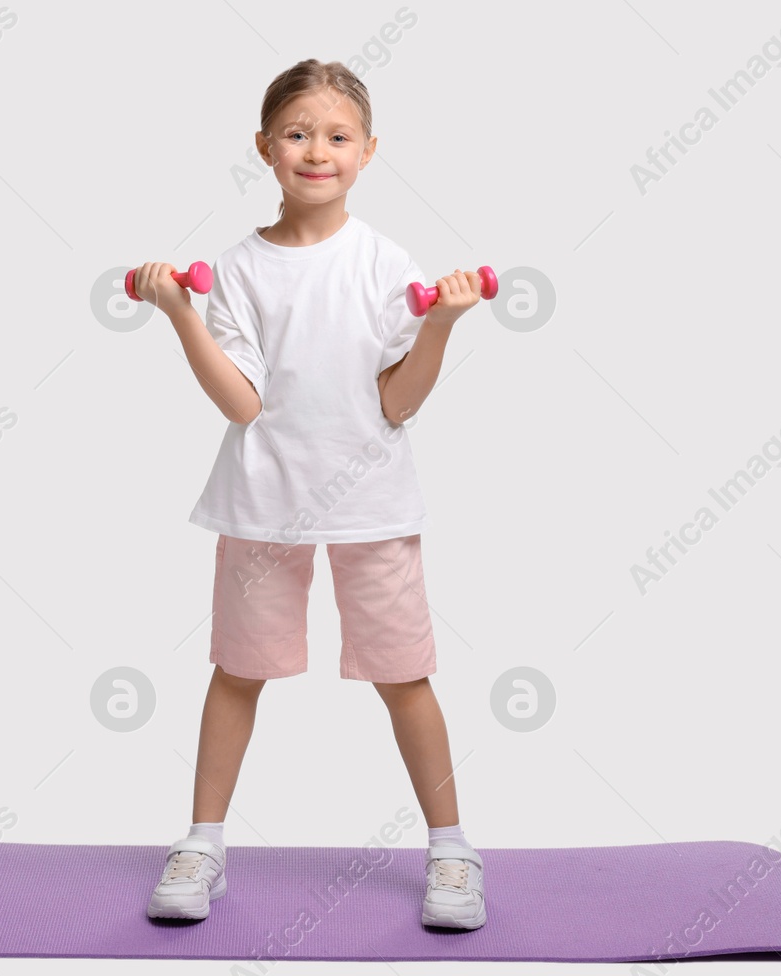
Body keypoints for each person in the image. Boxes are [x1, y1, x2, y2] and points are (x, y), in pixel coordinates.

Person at [134, 58, 488, 930]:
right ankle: (203, 843)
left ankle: (452, 850)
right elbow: (242, 403)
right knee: (237, 672)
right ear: (265, 148)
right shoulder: (239, 270)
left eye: (336, 136)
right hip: (262, 503)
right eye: (297, 133)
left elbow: (397, 402)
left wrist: (439, 321)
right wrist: (182, 314)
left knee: (406, 678)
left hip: (375, 506)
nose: (316, 150)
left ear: (368, 151)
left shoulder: (383, 262)